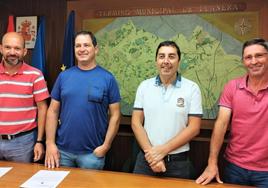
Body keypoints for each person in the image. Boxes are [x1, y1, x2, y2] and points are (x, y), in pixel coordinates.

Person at [196, 38, 268, 187]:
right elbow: (221, 124)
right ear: (243, 61)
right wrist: (212, 163)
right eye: (248, 57)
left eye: (259, 55)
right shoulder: (232, 87)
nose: (254, 61)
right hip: (234, 167)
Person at [45, 31, 121, 169]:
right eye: (77, 46)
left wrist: (106, 146)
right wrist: (50, 144)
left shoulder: (107, 78)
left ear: (96, 49)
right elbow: (53, 111)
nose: (82, 49)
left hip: (92, 154)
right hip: (62, 152)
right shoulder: (64, 77)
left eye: (86, 45)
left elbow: (115, 115)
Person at [131, 40, 203, 178]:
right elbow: (136, 122)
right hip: (146, 160)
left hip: (178, 163)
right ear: (156, 60)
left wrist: (163, 151)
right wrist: (152, 156)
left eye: (171, 56)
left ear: (179, 61)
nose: (166, 61)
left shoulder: (192, 88)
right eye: (161, 56)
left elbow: (194, 128)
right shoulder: (144, 86)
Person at [0, 32, 49, 163]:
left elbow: (43, 109)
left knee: (20, 181)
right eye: (8, 47)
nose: (12, 52)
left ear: (25, 51)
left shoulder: (35, 75)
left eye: (17, 48)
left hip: (23, 143)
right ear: (1, 49)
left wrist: (39, 141)